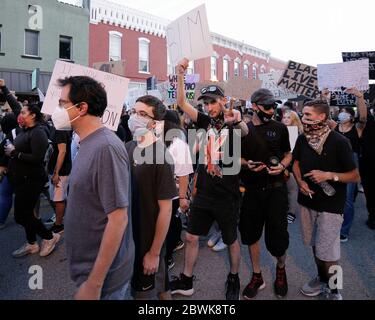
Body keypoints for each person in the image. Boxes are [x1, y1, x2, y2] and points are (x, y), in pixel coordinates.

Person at [170, 58, 248, 300]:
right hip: (204, 192)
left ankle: (234, 277)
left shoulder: (234, 121)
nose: (208, 106)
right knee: (192, 236)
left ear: (223, 101)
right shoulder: (203, 121)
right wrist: (180, 75)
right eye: (205, 102)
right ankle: (186, 279)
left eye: (212, 101)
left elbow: (245, 131)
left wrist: (238, 120)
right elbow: (182, 102)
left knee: (231, 239)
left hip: (227, 194)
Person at [56, 76, 134, 300]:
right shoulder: (87, 142)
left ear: (81, 108)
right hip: (89, 272)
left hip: (104, 281)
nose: (58, 109)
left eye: (62, 103)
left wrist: (94, 284)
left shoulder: (105, 148)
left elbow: (118, 219)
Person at [293, 99, 360, 300]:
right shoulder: (303, 139)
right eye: (303, 115)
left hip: (331, 206)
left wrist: (329, 175)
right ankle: (322, 279)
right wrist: (300, 183)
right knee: (316, 245)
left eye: (308, 115)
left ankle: (334, 290)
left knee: (329, 253)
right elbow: (295, 162)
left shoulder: (340, 142)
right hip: (307, 202)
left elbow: (355, 175)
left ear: (322, 117)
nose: (303, 119)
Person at [239, 88, 292, 299]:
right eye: (268, 106)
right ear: (254, 106)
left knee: (278, 240)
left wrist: (282, 166)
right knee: (251, 235)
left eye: (274, 106)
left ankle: (281, 269)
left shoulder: (280, 128)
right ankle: (257, 275)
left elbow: (288, 154)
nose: (272, 110)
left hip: (276, 191)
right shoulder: (243, 130)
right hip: (252, 191)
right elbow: (233, 159)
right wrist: (247, 164)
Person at [126, 95, 177, 299]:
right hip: (128, 237)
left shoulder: (161, 156)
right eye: (133, 112)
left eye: (142, 114)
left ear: (154, 123)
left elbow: (166, 209)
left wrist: (154, 252)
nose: (135, 117)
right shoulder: (127, 147)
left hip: (147, 240)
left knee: (145, 293)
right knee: (160, 285)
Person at [5, 103, 60, 257]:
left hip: (31, 180)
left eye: (23, 112)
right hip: (20, 180)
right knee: (27, 213)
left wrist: (15, 153)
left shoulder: (38, 132)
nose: (20, 115)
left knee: (21, 216)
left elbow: (37, 158)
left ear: (33, 115)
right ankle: (31, 244)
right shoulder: (25, 131)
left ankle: (49, 237)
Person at [334, 88, 367, 241]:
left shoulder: (357, 129)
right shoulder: (334, 126)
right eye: (340, 111)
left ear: (351, 117)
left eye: (345, 112)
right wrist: (324, 96)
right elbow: (324, 114)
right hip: (334, 162)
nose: (342, 113)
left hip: (350, 163)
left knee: (347, 198)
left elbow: (364, 117)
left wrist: (360, 97)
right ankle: (332, 225)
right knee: (332, 194)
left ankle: (344, 230)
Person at [47, 127, 72, 234]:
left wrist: (57, 173)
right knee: (57, 198)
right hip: (57, 169)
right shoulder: (56, 128)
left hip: (61, 171)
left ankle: (58, 225)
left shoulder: (61, 130)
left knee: (59, 198)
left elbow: (62, 151)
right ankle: (59, 222)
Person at [282, 110, 303, 224]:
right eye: (284, 117)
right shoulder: (280, 130)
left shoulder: (298, 133)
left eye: (288, 117)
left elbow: (295, 153)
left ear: (294, 120)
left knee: (292, 189)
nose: (285, 119)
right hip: (281, 163)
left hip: (292, 165)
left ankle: (291, 213)